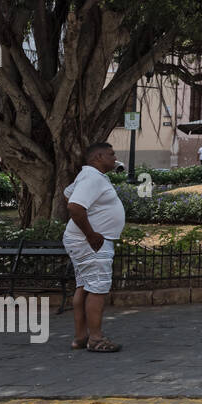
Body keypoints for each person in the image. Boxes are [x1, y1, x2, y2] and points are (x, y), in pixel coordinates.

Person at [62, 142, 126, 353]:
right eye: (111, 154)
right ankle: (96, 339)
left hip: (85, 240)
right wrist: (91, 234)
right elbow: (74, 206)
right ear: (98, 157)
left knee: (85, 286)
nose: (115, 157)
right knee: (97, 288)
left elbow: (68, 193)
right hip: (90, 242)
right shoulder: (91, 177)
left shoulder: (90, 176)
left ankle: (81, 337)